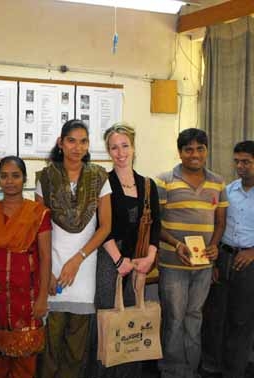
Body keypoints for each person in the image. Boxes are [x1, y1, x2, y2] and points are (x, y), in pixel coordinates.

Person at [36, 119, 112, 378]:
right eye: (71, 141)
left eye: (83, 141)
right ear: (61, 143)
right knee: (49, 346)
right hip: (53, 271)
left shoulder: (100, 177)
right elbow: (41, 230)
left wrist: (78, 259)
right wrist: (47, 273)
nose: (77, 147)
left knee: (76, 350)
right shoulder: (45, 178)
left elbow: (105, 227)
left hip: (84, 269)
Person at [156, 128, 228, 378]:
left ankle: (191, 370)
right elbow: (157, 224)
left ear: (206, 151)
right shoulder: (164, 181)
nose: (194, 154)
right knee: (175, 318)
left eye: (200, 149)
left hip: (204, 266)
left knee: (194, 317)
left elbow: (220, 223)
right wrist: (177, 245)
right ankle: (172, 371)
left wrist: (215, 245)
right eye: (188, 149)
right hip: (173, 264)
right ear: (180, 152)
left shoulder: (218, 182)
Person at [95, 123, 161, 377]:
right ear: (108, 151)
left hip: (140, 260)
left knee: (134, 323)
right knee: (111, 319)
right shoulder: (103, 183)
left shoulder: (148, 185)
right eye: (114, 147)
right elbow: (101, 226)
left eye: (125, 146)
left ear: (133, 148)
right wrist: (118, 260)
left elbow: (156, 223)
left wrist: (149, 259)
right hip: (111, 259)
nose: (120, 152)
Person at [0, 156, 51, 378]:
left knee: (25, 364)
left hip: (28, 297)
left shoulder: (38, 213)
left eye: (15, 176)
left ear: (24, 179)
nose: (10, 181)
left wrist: (41, 299)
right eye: (4, 176)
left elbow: (46, 258)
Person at [201, 140, 254, 378]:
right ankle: (212, 366)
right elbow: (218, 225)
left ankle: (235, 371)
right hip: (223, 257)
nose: (240, 166)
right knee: (215, 315)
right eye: (237, 162)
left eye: (246, 162)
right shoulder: (228, 190)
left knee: (241, 320)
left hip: (249, 262)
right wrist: (213, 261)